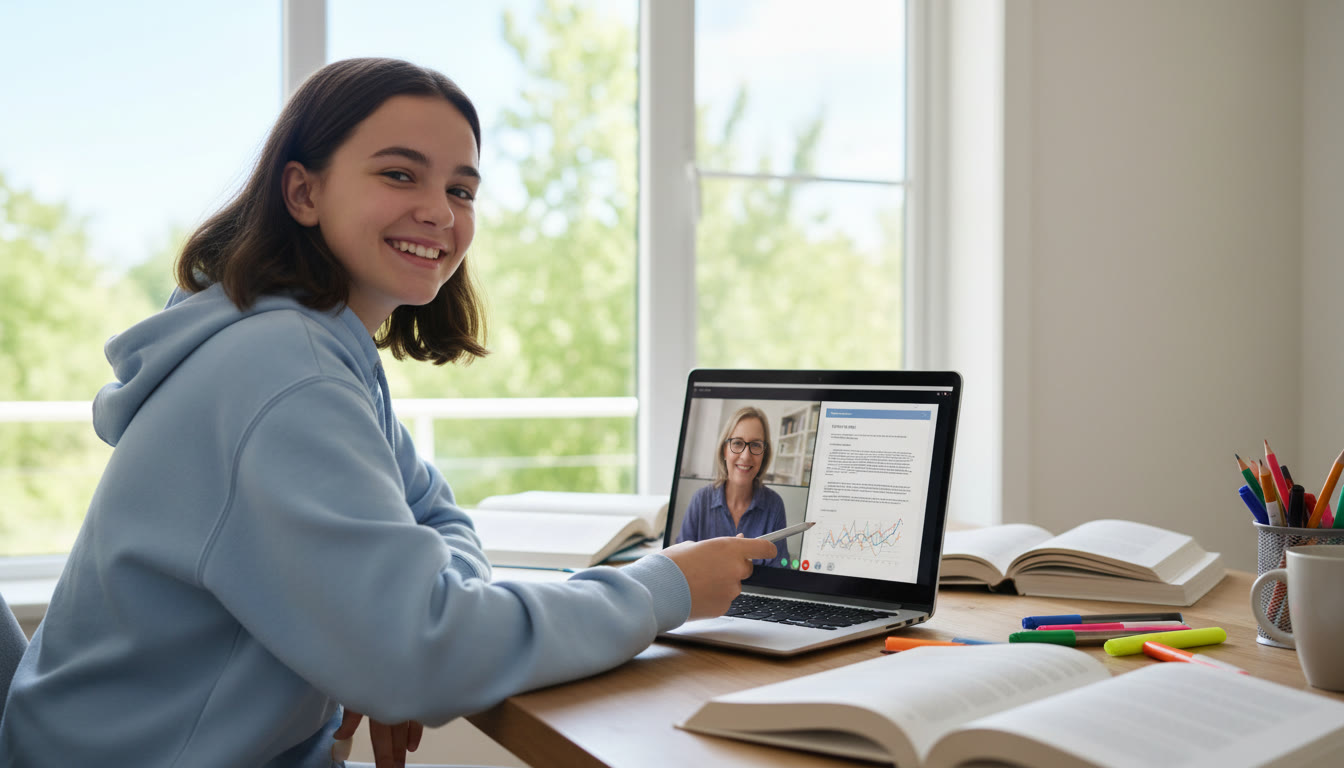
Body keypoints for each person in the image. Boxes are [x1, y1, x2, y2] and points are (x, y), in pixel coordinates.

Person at [0, 58, 777, 768]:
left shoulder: (317, 350)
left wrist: (381, 643)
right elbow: (426, 654)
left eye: (462, 189)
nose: (439, 212)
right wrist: (659, 587)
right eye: (401, 174)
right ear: (303, 191)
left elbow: (439, 522)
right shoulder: (281, 374)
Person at [678, 406, 789, 566]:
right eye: (737, 443)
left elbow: (779, 569)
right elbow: (681, 564)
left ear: (764, 454)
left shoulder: (774, 505)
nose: (745, 456)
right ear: (724, 450)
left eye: (756, 445)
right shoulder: (700, 500)